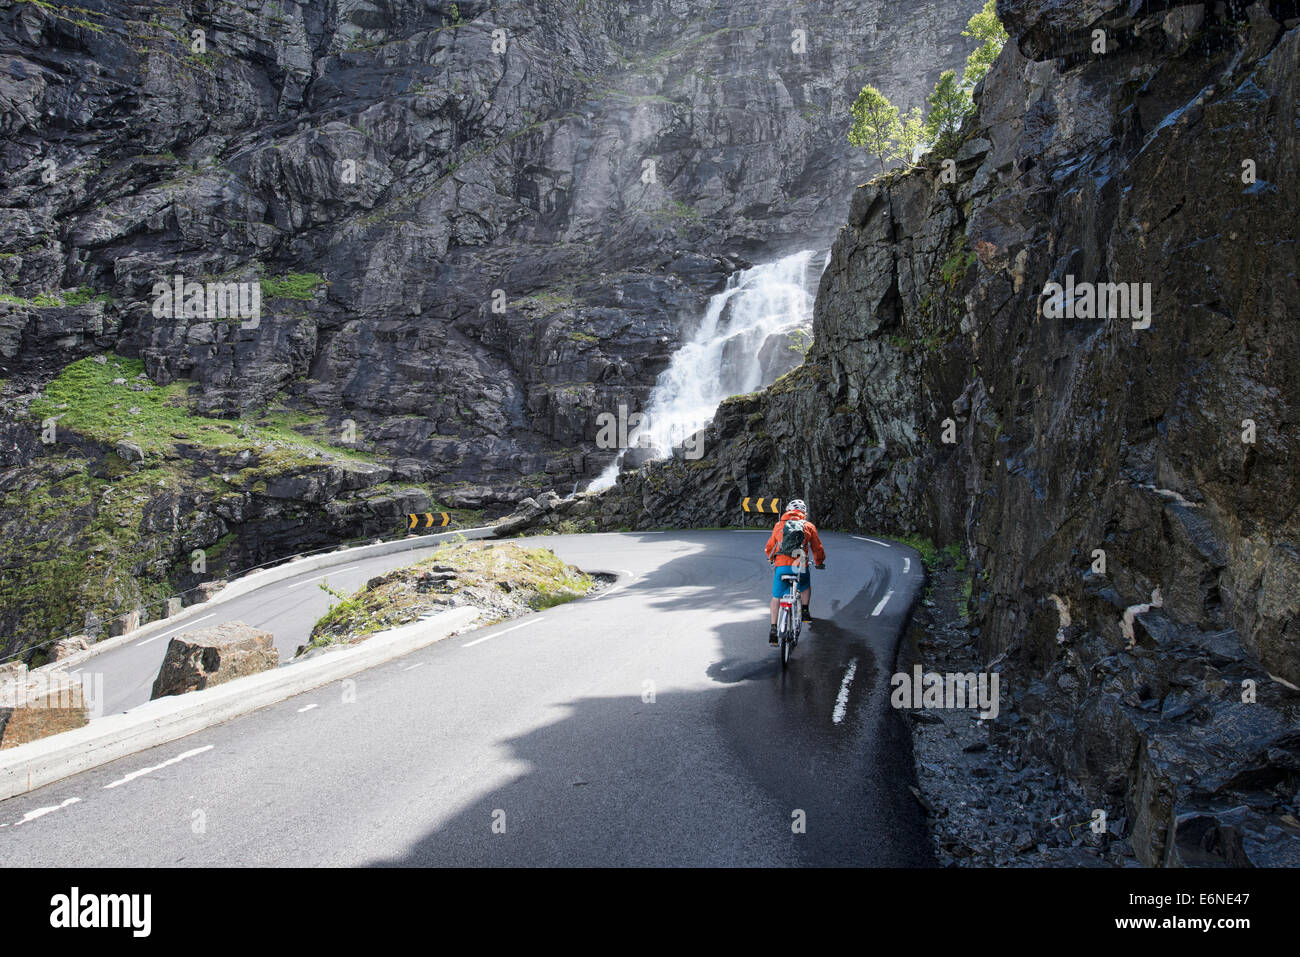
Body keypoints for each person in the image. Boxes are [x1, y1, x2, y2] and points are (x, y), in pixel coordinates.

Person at [763, 499, 825, 645]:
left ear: (787, 511)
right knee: (805, 585)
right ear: (804, 512)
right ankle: (804, 611)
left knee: (776, 597)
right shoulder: (808, 526)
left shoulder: (779, 525)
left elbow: (771, 546)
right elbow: (817, 548)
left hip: (782, 565)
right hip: (800, 565)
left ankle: (773, 628)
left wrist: (771, 558)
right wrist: (819, 562)